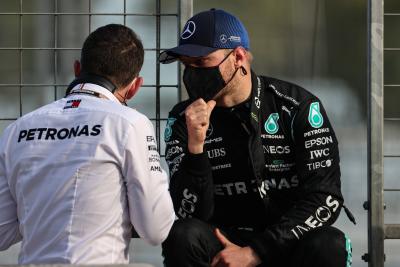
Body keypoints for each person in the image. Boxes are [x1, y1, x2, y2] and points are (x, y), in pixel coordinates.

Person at [159, 8, 354, 267]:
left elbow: (325, 198)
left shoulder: (297, 107)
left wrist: (255, 252)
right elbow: (188, 214)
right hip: (223, 243)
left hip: (286, 240)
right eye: (186, 65)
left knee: (330, 244)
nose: (191, 73)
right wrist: (196, 147)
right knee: (182, 235)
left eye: (201, 62)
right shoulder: (183, 119)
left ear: (238, 57)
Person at [0, 24, 175, 264]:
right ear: (135, 87)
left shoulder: (17, 129)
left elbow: (2, 232)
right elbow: (156, 230)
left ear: (77, 69)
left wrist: (44, 204)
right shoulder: (130, 123)